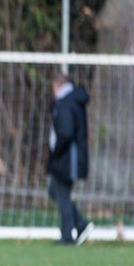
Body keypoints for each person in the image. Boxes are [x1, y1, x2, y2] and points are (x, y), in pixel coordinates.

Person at [47, 72, 93, 245]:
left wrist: (56, 152)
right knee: (55, 191)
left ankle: (68, 234)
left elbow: (65, 133)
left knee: (62, 194)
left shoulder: (66, 103)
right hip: (67, 157)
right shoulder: (70, 101)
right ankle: (80, 224)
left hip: (67, 158)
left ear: (57, 86)